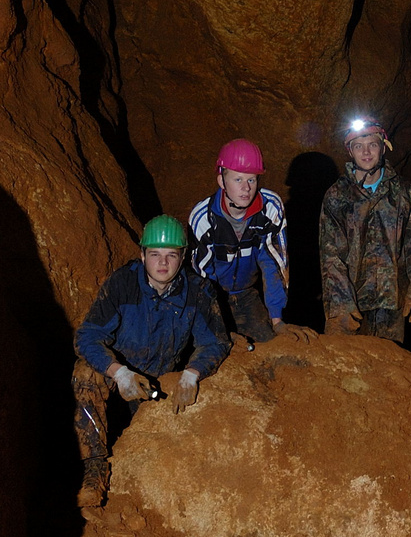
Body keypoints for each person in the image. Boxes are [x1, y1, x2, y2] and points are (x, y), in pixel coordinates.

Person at [73, 215, 231, 507]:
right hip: (120, 374)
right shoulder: (122, 284)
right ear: (142, 254)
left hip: (156, 386)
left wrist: (193, 373)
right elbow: (87, 337)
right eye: (155, 255)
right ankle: (94, 467)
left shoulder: (197, 292)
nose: (162, 263)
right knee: (85, 373)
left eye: (171, 255)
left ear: (183, 257)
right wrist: (119, 373)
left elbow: (216, 342)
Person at [318, 115, 411, 342]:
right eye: (358, 146)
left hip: (391, 301)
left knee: (388, 368)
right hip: (351, 302)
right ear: (350, 151)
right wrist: (341, 302)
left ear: (383, 147)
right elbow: (331, 255)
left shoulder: (402, 192)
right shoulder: (337, 196)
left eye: (372, 144)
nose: (366, 152)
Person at [189, 138, 289, 344]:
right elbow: (198, 279)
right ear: (221, 181)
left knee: (268, 346)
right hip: (214, 298)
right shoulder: (203, 218)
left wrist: (277, 319)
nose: (246, 188)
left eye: (251, 180)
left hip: (246, 296)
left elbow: (275, 264)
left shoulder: (270, 209)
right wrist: (216, 326)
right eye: (238, 180)